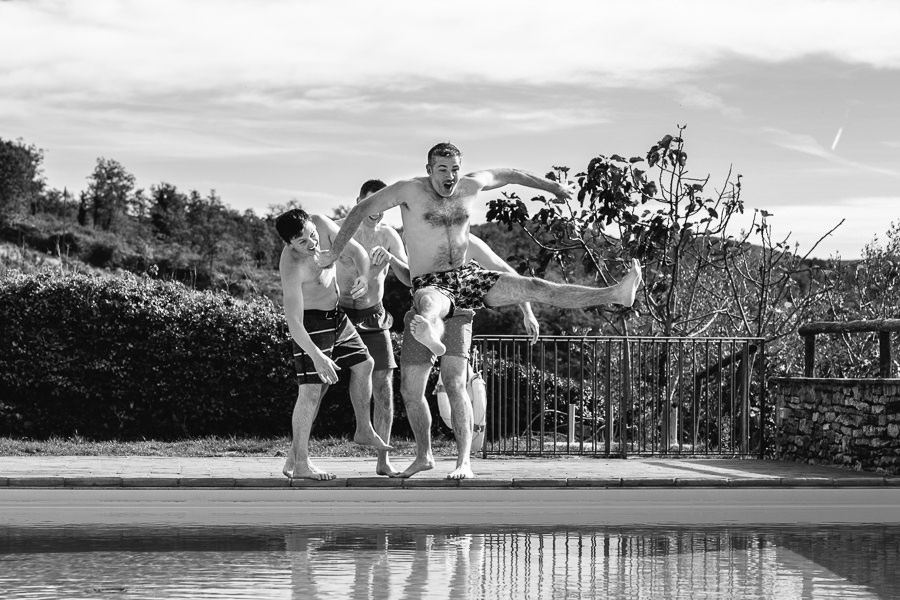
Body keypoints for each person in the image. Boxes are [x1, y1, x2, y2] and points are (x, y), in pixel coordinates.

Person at [317, 142, 643, 479]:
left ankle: (615, 294)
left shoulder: (471, 184)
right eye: (442, 169)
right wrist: (333, 252)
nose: (450, 176)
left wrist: (553, 187)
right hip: (430, 280)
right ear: (429, 169)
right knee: (429, 305)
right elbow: (361, 210)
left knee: (533, 286)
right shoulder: (408, 191)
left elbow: (512, 174)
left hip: (466, 277)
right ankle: (430, 338)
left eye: (454, 168)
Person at [339, 179, 539, 477]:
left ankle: (464, 462)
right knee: (410, 390)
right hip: (419, 314)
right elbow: (410, 278)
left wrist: (527, 312)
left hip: (455, 316)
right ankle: (424, 456)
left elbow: (507, 273)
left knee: (454, 383)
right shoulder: (417, 242)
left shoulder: (467, 242)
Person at [275, 207, 391, 480]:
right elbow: (293, 321)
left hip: (336, 317)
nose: (313, 244)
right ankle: (301, 464)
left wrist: (364, 276)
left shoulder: (322, 225)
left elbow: (358, 252)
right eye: (303, 242)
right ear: (289, 244)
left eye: (312, 236)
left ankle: (363, 429)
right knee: (311, 392)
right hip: (311, 323)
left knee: (365, 365)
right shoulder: (291, 265)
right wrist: (316, 355)